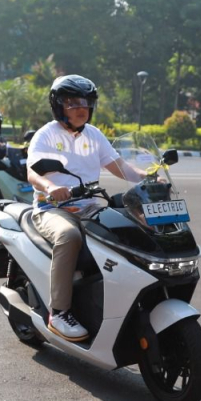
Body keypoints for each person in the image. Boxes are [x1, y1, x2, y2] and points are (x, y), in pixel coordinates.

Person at [26, 75, 149, 342]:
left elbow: (120, 167)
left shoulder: (94, 135)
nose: (81, 108)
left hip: (89, 206)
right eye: (71, 103)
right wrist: (49, 187)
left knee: (129, 229)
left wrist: (147, 177)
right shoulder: (46, 134)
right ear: (58, 105)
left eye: (85, 102)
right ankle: (59, 312)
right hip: (53, 208)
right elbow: (33, 173)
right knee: (69, 237)